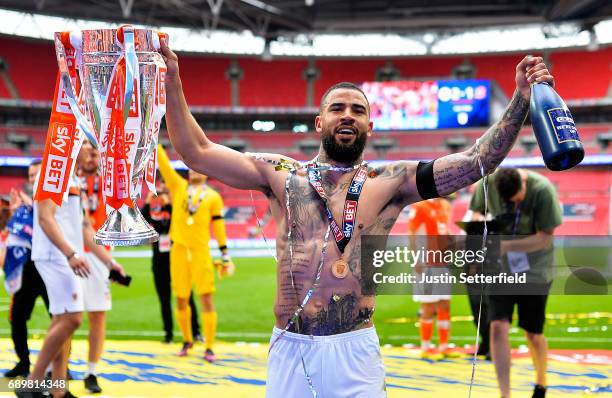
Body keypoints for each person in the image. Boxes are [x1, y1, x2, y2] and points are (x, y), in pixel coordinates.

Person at [160, 37, 554, 397]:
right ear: (319, 122)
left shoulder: (392, 182)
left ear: (370, 124)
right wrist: (173, 78)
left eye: (357, 110)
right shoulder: (279, 174)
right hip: (291, 348)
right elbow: (195, 150)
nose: (347, 115)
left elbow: (475, 162)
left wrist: (520, 99)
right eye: (337, 108)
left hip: (355, 350)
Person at [21, 144, 125, 398]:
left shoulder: (72, 176)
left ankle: (58, 390)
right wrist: (70, 253)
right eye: (86, 145)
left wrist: (109, 263)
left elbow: (85, 229)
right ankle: (32, 384)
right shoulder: (55, 172)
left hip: (63, 256)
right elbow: (45, 218)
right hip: (55, 257)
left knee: (62, 320)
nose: (91, 150)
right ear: (73, 146)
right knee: (73, 319)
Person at [469, 168, 562, 398]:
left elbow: (545, 236)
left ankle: (541, 383)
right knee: (498, 326)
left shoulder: (543, 191)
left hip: (536, 270)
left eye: (518, 199)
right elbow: (476, 215)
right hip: (500, 270)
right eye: (509, 201)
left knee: (533, 333)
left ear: (523, 183)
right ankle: (505, 394)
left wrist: (507, 247)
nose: (514, 204)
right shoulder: (487, 184)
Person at [156, 144, 234, 361]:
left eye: (197, 167)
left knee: (206, 297)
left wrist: (225, 254)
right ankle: (187, 340)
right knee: (180, 298)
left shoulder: (212, 197)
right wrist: (155, 143)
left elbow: (218, 227)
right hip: (178, 251)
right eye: (189, 168)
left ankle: (209, 346)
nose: (192, 170)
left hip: (201, 251)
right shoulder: (178, 187)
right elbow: (163, 166)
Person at [78, 140, 126, 394]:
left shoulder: (110, 181)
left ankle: (91, 371)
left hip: (100, 254)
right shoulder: (70, 179)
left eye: (95, 148)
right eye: (86, 146)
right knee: (64, 316)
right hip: (71, 251)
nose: (91, 152)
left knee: (97, 315)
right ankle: (58, 368)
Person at [3, 160, 51, 378]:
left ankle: (59, 367)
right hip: (27, 268)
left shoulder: (54, 199)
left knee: (61, 318)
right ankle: (23, 362)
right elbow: (12, 235)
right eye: (30, 176)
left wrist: (29, 207)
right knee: (17, 317)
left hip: (50, 267)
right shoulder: (22, 208)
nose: (33, 179)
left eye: (36, 175)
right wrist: (14, 214)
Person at [141, 177, 202, 344]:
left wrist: (168, 204)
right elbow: (142, 222)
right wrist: (147, 203)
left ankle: (195, 332)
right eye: (161, 187)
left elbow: (175, 225)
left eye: (167, 188)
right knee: (164, 298)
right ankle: (168, 334)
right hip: (159, 260)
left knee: (186, 296)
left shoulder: (180, 205)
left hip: (178, 258)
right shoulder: (156, 209)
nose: (163, 191)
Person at [407, 197, 461, 360]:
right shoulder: (419, 206)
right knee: (428, 305)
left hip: (442, 262)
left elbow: (444, 230)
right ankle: (426, 347)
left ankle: (444, 347)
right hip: (426, 261)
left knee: (445, 304)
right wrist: (416, 258)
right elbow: (412, 233)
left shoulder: (445, 205)